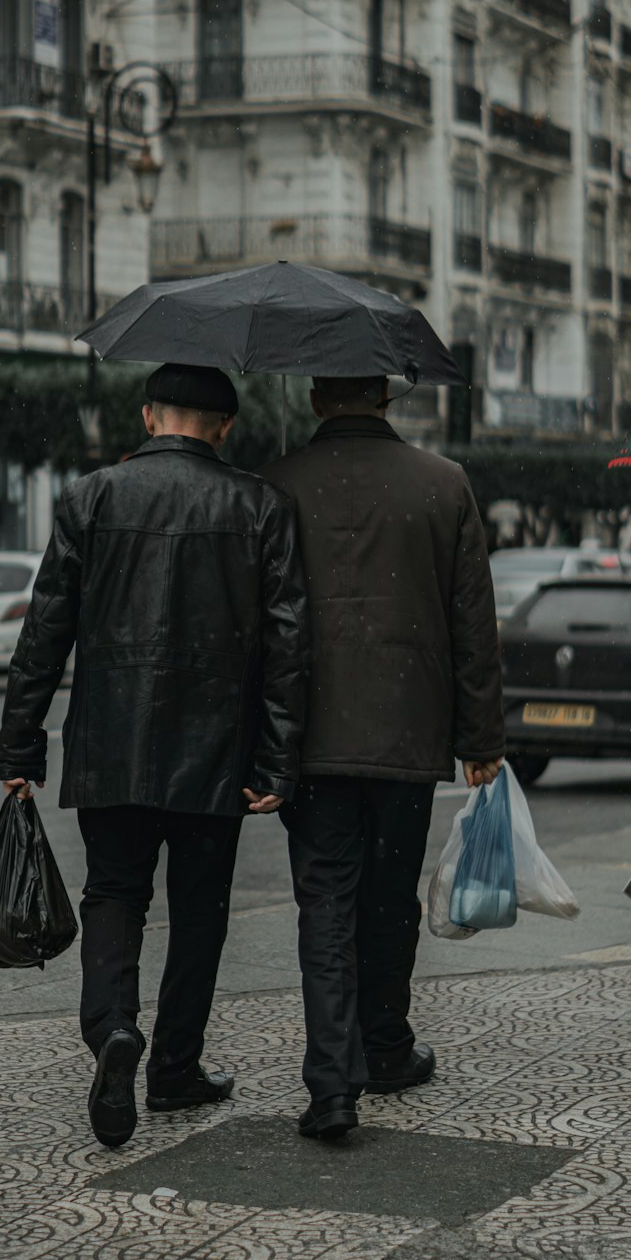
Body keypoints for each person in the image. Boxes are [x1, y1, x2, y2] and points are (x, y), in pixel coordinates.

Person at [0, 363, 309, 1148]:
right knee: (201, 910)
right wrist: (278, 758)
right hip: (217, 751)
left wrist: (19, 742)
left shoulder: (90, 497)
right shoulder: (262, 506)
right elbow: (287, 644)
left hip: (113, 744)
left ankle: (112, 1032)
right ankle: (174, 1066)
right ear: (226, 427)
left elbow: (45, 632)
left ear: (146, 416)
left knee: (115, 894)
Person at [261, 375, 505, 1139]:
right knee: (391, 896)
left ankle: (332, 1085)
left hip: (311, 736)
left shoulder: (277, 483)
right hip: (407, 728)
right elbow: (474, 619)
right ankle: (388, 1045)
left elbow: (259, 622)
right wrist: (481, 740)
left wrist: (259, 743)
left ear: (315, 400)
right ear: (387, 398)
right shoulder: (443, 483)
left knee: (325, 902)